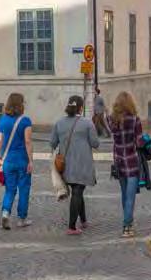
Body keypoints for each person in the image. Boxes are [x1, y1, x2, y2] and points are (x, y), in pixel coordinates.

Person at [50, 95, 99, 235]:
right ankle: (71, 226)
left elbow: (52, 143)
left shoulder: (59, 123)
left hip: (66, 165)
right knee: (78, 191)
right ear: (81, 108)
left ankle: (83, 220)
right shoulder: (87, 123)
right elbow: (95, 143)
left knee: (78, 191)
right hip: (83, 164)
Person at [108, 91, 143, 238]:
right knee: (131, 196)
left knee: (124, 194)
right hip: (132, 161)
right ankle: (127, 225)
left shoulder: (111, 120)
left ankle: (128, 224)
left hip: (119, 161)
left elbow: (109, 131)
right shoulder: (135, 120)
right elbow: (139, 142)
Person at [0, 92, 33, 229]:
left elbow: (0, 142)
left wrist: (0, 158)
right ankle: (22, 219)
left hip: (7, 160)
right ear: (21, 104)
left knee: (9, 189)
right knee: (24, 189)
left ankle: (5, 213)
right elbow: (28, 141)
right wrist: (30, 160)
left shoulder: (3, 120)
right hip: (22, 160)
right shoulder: (25, 121)